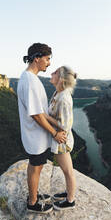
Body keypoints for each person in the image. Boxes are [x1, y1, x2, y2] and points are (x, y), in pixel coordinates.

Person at [17, 43, 67, 214]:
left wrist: (57, 124)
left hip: (37, 136)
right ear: (36, 58)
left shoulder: (30, 78)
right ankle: (32, 203)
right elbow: (36, 115)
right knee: (35, 167)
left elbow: (41, 111)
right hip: (36, 137)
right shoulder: (30, 81)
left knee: (37, 167)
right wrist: (54, 133)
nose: (49, 63)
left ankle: (34, 194)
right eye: (47, 59)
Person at [45, 66, 77, 210]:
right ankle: (69, 193)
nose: (51, 73)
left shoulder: (63, 98)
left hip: (62, 141)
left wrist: (44, 117)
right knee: (66, 170)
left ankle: (70, 200)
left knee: (68, 171)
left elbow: (64, 126)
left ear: (62, 79)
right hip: (59, 140)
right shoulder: (58, 93)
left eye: (55, 72)